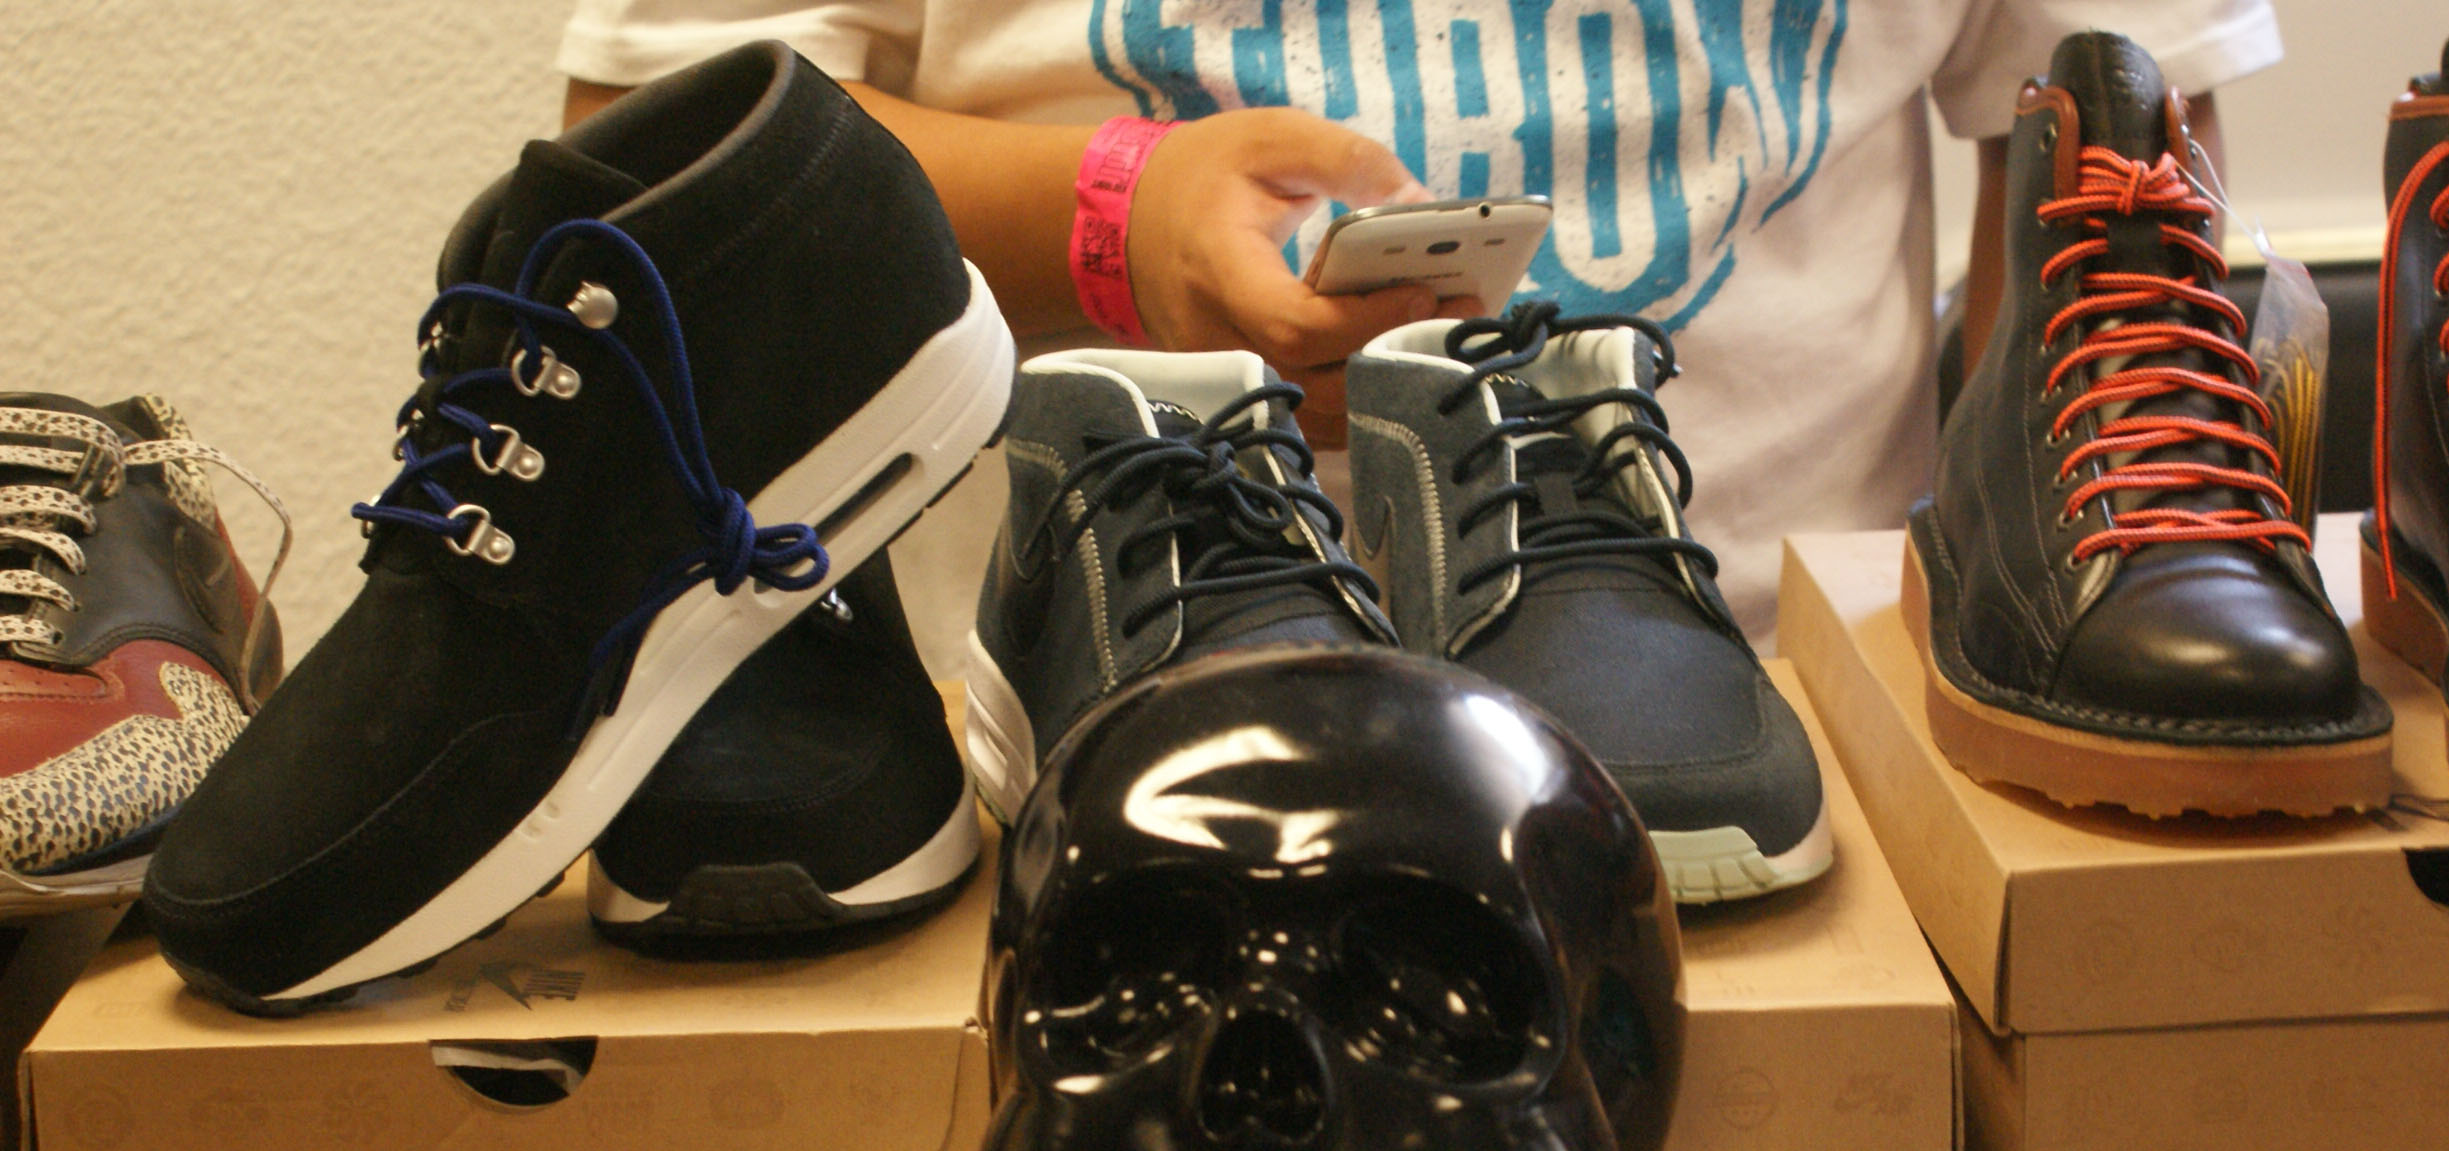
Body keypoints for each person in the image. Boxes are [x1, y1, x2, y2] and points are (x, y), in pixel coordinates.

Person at [556, 0, 2278, 638]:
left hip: (1787, 715)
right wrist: (1108, 218)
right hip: (1090, 676)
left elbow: (2117, 135)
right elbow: (650, 158)